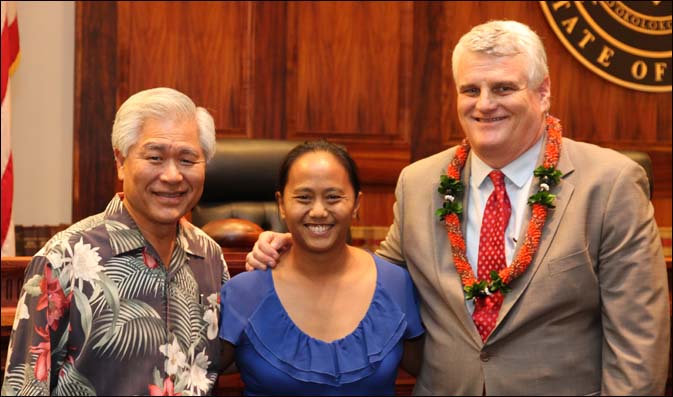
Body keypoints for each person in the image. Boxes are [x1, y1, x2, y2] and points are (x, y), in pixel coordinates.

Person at [245, 20, 670, 395]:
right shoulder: (420, 182)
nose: (484, 104)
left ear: (542, 94)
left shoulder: (610, 183)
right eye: (471, 89)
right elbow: (378, 283)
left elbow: (639, 342)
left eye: (503, 87)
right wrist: (298, 248)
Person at [1, 87, 229, 396]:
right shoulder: (63, 259)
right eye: (155, 157)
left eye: (188, 160)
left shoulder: (209, 255)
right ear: (121, 162)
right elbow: (25, 387)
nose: (173, 175)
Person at [219, 140, 424, 396]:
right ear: (281, 204)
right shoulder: (244, 292)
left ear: (357, 204)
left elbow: (430, 371)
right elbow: (195, 373)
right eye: (303, 198)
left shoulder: (396, 284)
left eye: (333, 197)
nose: (318, 211)